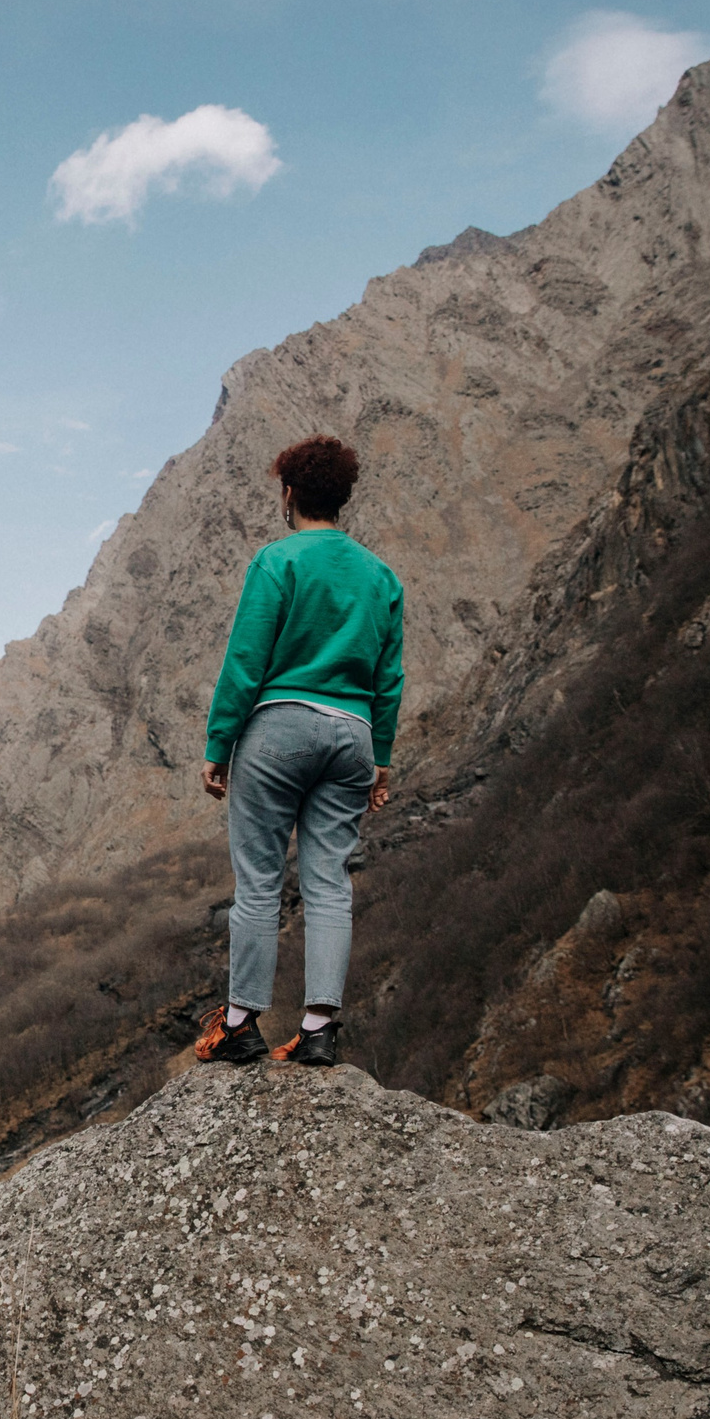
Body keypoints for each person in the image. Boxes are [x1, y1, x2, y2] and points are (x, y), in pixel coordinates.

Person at [191, 434, 403, 1068]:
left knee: (258, 881)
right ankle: (317, 1031)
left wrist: (219, 743)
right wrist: (382, 757)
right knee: (329, 883)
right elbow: (389, 677)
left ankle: (240, 1025)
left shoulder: (276, 561)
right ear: (342, 498)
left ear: (289, 494)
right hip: (353, 737)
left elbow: (246, 659)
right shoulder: (381, 576)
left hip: (278, 729)